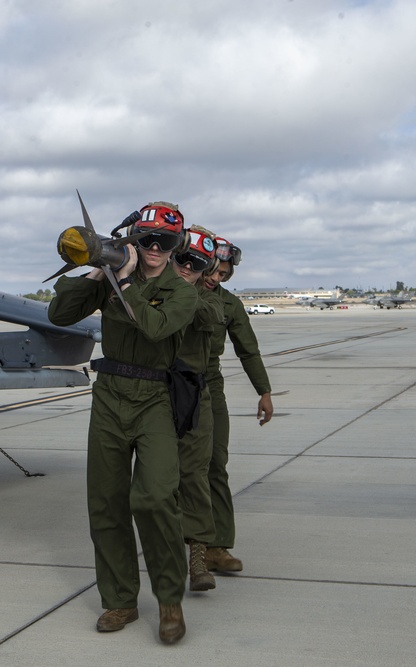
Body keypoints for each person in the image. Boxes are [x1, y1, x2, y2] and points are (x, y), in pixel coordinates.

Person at [48, 201, 197, 644]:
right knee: (107, 502)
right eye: (146, 238)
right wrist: (99, 272)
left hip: (155, 399)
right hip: (110, 394)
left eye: (164, 241)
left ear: (175, 246)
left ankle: (169, 600)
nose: (153, 247)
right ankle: (120, 600)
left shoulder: (183, 290)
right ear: (134, 238)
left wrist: (127, 280)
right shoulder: (115, 278)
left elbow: (155, 327)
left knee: (153, 498)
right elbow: (59, 315)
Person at [201, 239, 274, 571]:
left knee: (216, 464)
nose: (216, 278)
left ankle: (217, 548)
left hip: (209, 386)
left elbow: (248, 349)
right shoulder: (174, 293)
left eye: (224, 274)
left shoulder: (229, 305)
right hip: (168, 386)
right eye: (214, 270)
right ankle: (183, 545)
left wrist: (264, 391)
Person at [170, 226, 224, 592]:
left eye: (196, 263)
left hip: (192, 394)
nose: (187, 267)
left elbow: (208, 317)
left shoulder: (205, 299)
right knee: (157, 484)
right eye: (182, 259)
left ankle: (198, 555)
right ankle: (169, 553)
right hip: (154, 392)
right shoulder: (148, 287)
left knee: (195, 476)